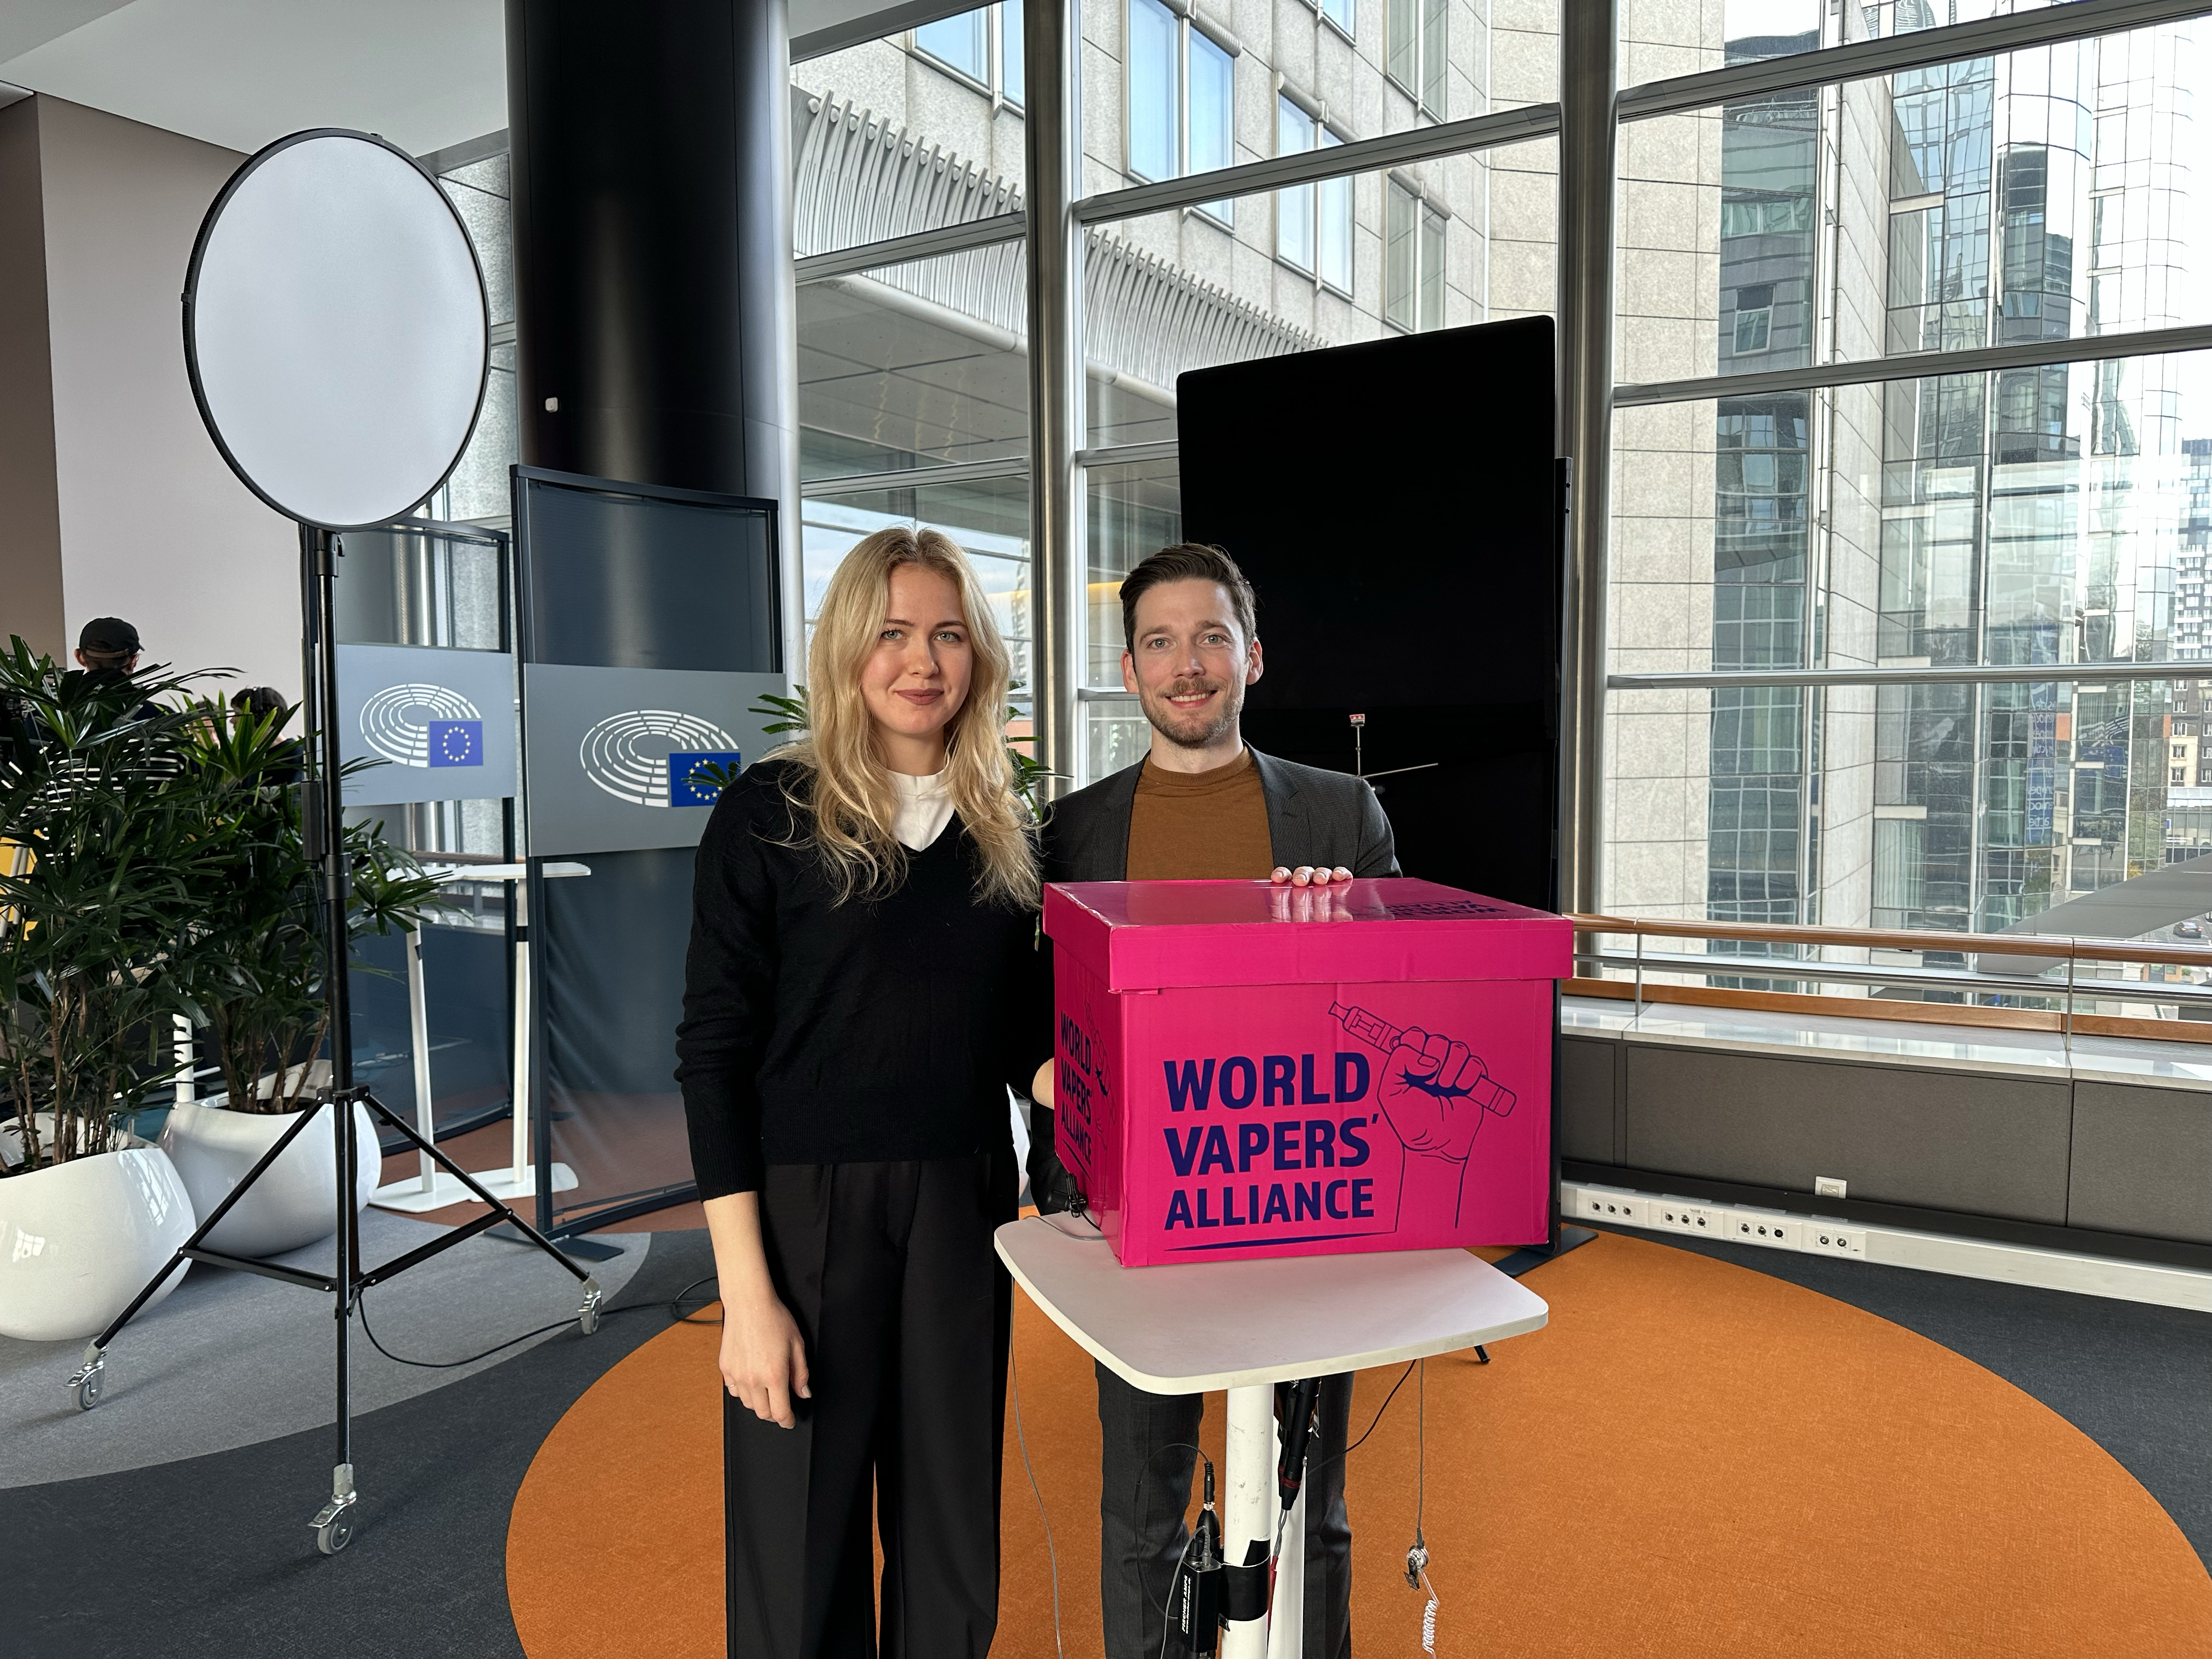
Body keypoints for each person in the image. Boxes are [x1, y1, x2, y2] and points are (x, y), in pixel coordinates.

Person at [675, 526, 1048, 1659]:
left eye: (947, 634)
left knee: (950, 1542)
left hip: (963, 1204)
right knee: (801, 1547)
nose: (921, 660)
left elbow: (1020, 1043)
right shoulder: (767, 814)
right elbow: (712, 1052)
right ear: (847, 647)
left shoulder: (1008, 834)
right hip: (802, 1213)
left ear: (978, 657)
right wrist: (746, 1297)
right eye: (892, 632)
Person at [1032, 541, 1397, 1659]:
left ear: (1252, 655)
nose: (1186, 664)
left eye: (1209, 637)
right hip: (1129, 1204)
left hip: (1301, 1198)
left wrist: (1348, 927)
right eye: (1159, 641)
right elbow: (1027, 1009)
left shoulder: (1341, 819)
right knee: (1141, 1501)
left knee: (1307, 1502)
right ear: (1131, 668)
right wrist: (1050, 1076)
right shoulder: (1071, 830)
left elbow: (1397, 1010)